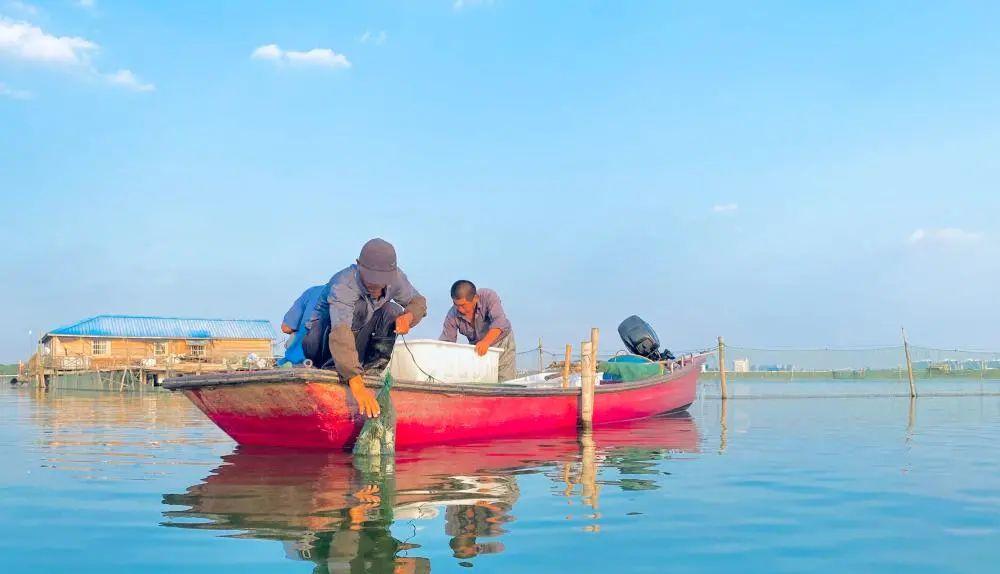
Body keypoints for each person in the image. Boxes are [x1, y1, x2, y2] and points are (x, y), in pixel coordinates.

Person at [301, 238, 427, 418]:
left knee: (393, 310)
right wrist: (356, 384)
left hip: (356, 341)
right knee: (358, 308)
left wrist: (409, 317)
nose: (375, 286)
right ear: (358, 265)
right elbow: (340, 333)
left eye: (381, 281)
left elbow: (418, 302)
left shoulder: (397, 278)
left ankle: (373, 368)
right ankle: (339, 370)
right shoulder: (343, 283)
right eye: (370, 281)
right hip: (321, 343)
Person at [440, 280, 516, 381]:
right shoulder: (452, 314)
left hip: (501, 342)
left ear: (475, 298)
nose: (459, 309)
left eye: (463, 305)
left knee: (505, 381)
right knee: (480, 381)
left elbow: (499, 321)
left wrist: (486, 341)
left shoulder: (488, 296)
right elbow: (447, 343)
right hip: (477, 348)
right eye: (455, 304)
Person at [277, 284, 327, 366]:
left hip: (303, 360)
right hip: (342, 362)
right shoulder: (351, 292)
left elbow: (286, 328)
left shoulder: (314, 291)